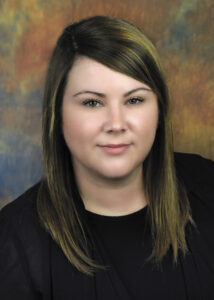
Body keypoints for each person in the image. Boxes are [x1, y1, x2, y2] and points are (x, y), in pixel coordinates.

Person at [0, 15, 213, 300]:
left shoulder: (207, 187)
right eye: (92, 102)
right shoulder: (15, 241)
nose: (116, 123)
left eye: (134, 100)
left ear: (159, 111)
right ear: (58, 114)